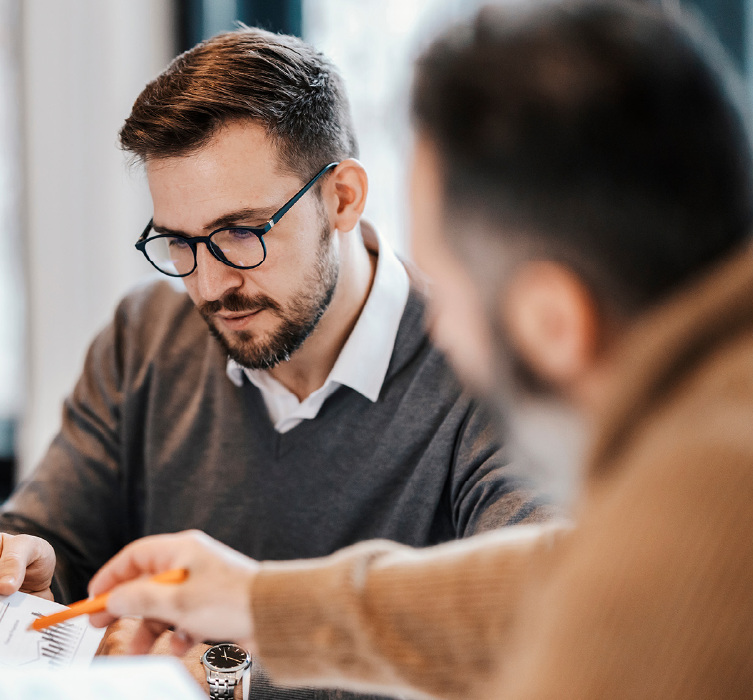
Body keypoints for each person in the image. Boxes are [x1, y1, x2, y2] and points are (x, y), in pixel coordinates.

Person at [88, 3, 753, 699]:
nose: (439, 331)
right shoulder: (711, 422)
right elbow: (549, 581)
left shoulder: (700, 514)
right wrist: (260, 605)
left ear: (554, 322)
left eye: (450, 292)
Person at [0, 27, 552, 697]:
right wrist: (27, 580)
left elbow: (540, 624)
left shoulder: (488, 369)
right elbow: (52, 543)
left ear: (343, 198)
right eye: (179, 243)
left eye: (240, 232)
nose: (210, 287)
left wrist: (229, 675)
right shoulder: (144, 336)